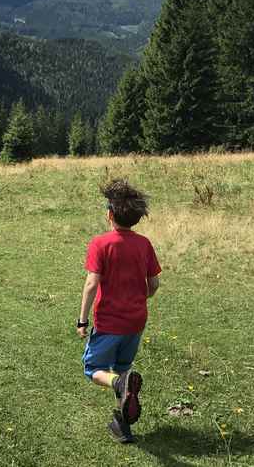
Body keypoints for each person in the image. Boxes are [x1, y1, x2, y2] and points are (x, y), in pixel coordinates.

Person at [77, 178, 161, 444]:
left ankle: (118, 385)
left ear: (110, 214)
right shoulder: (144, 244)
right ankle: (123, 427)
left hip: (109, 322)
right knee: (123, 369)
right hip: (136, 321)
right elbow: (154, 283)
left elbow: (91, 284)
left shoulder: (101, 243)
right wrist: (139, 297)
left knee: (93, 369)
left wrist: (82, 320)